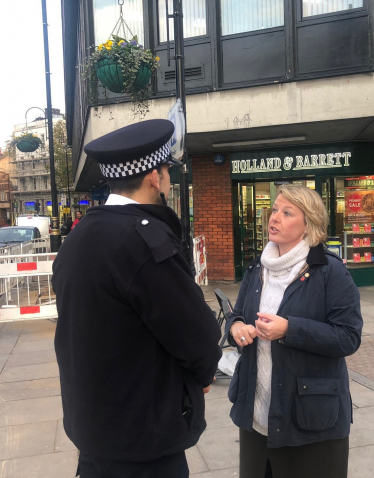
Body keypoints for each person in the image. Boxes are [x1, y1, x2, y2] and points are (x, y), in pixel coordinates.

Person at [53, 119, 222, 478]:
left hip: (95, 434)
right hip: (143, 443)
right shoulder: (143, 241)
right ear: (152, 178)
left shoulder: (80, 238)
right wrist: (202, 374)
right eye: (166, 171)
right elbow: (199, 336)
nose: (168, 179)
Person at [225, 185, 363, 478]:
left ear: (308, 224)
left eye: (287, 213)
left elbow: (348, 336)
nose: (274, 217)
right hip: (256, 417)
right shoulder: (258, 268)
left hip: (309, 423)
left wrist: (289, 329)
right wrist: (237, 327)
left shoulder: (330, 271)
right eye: (275, 209)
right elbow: (236, 315)